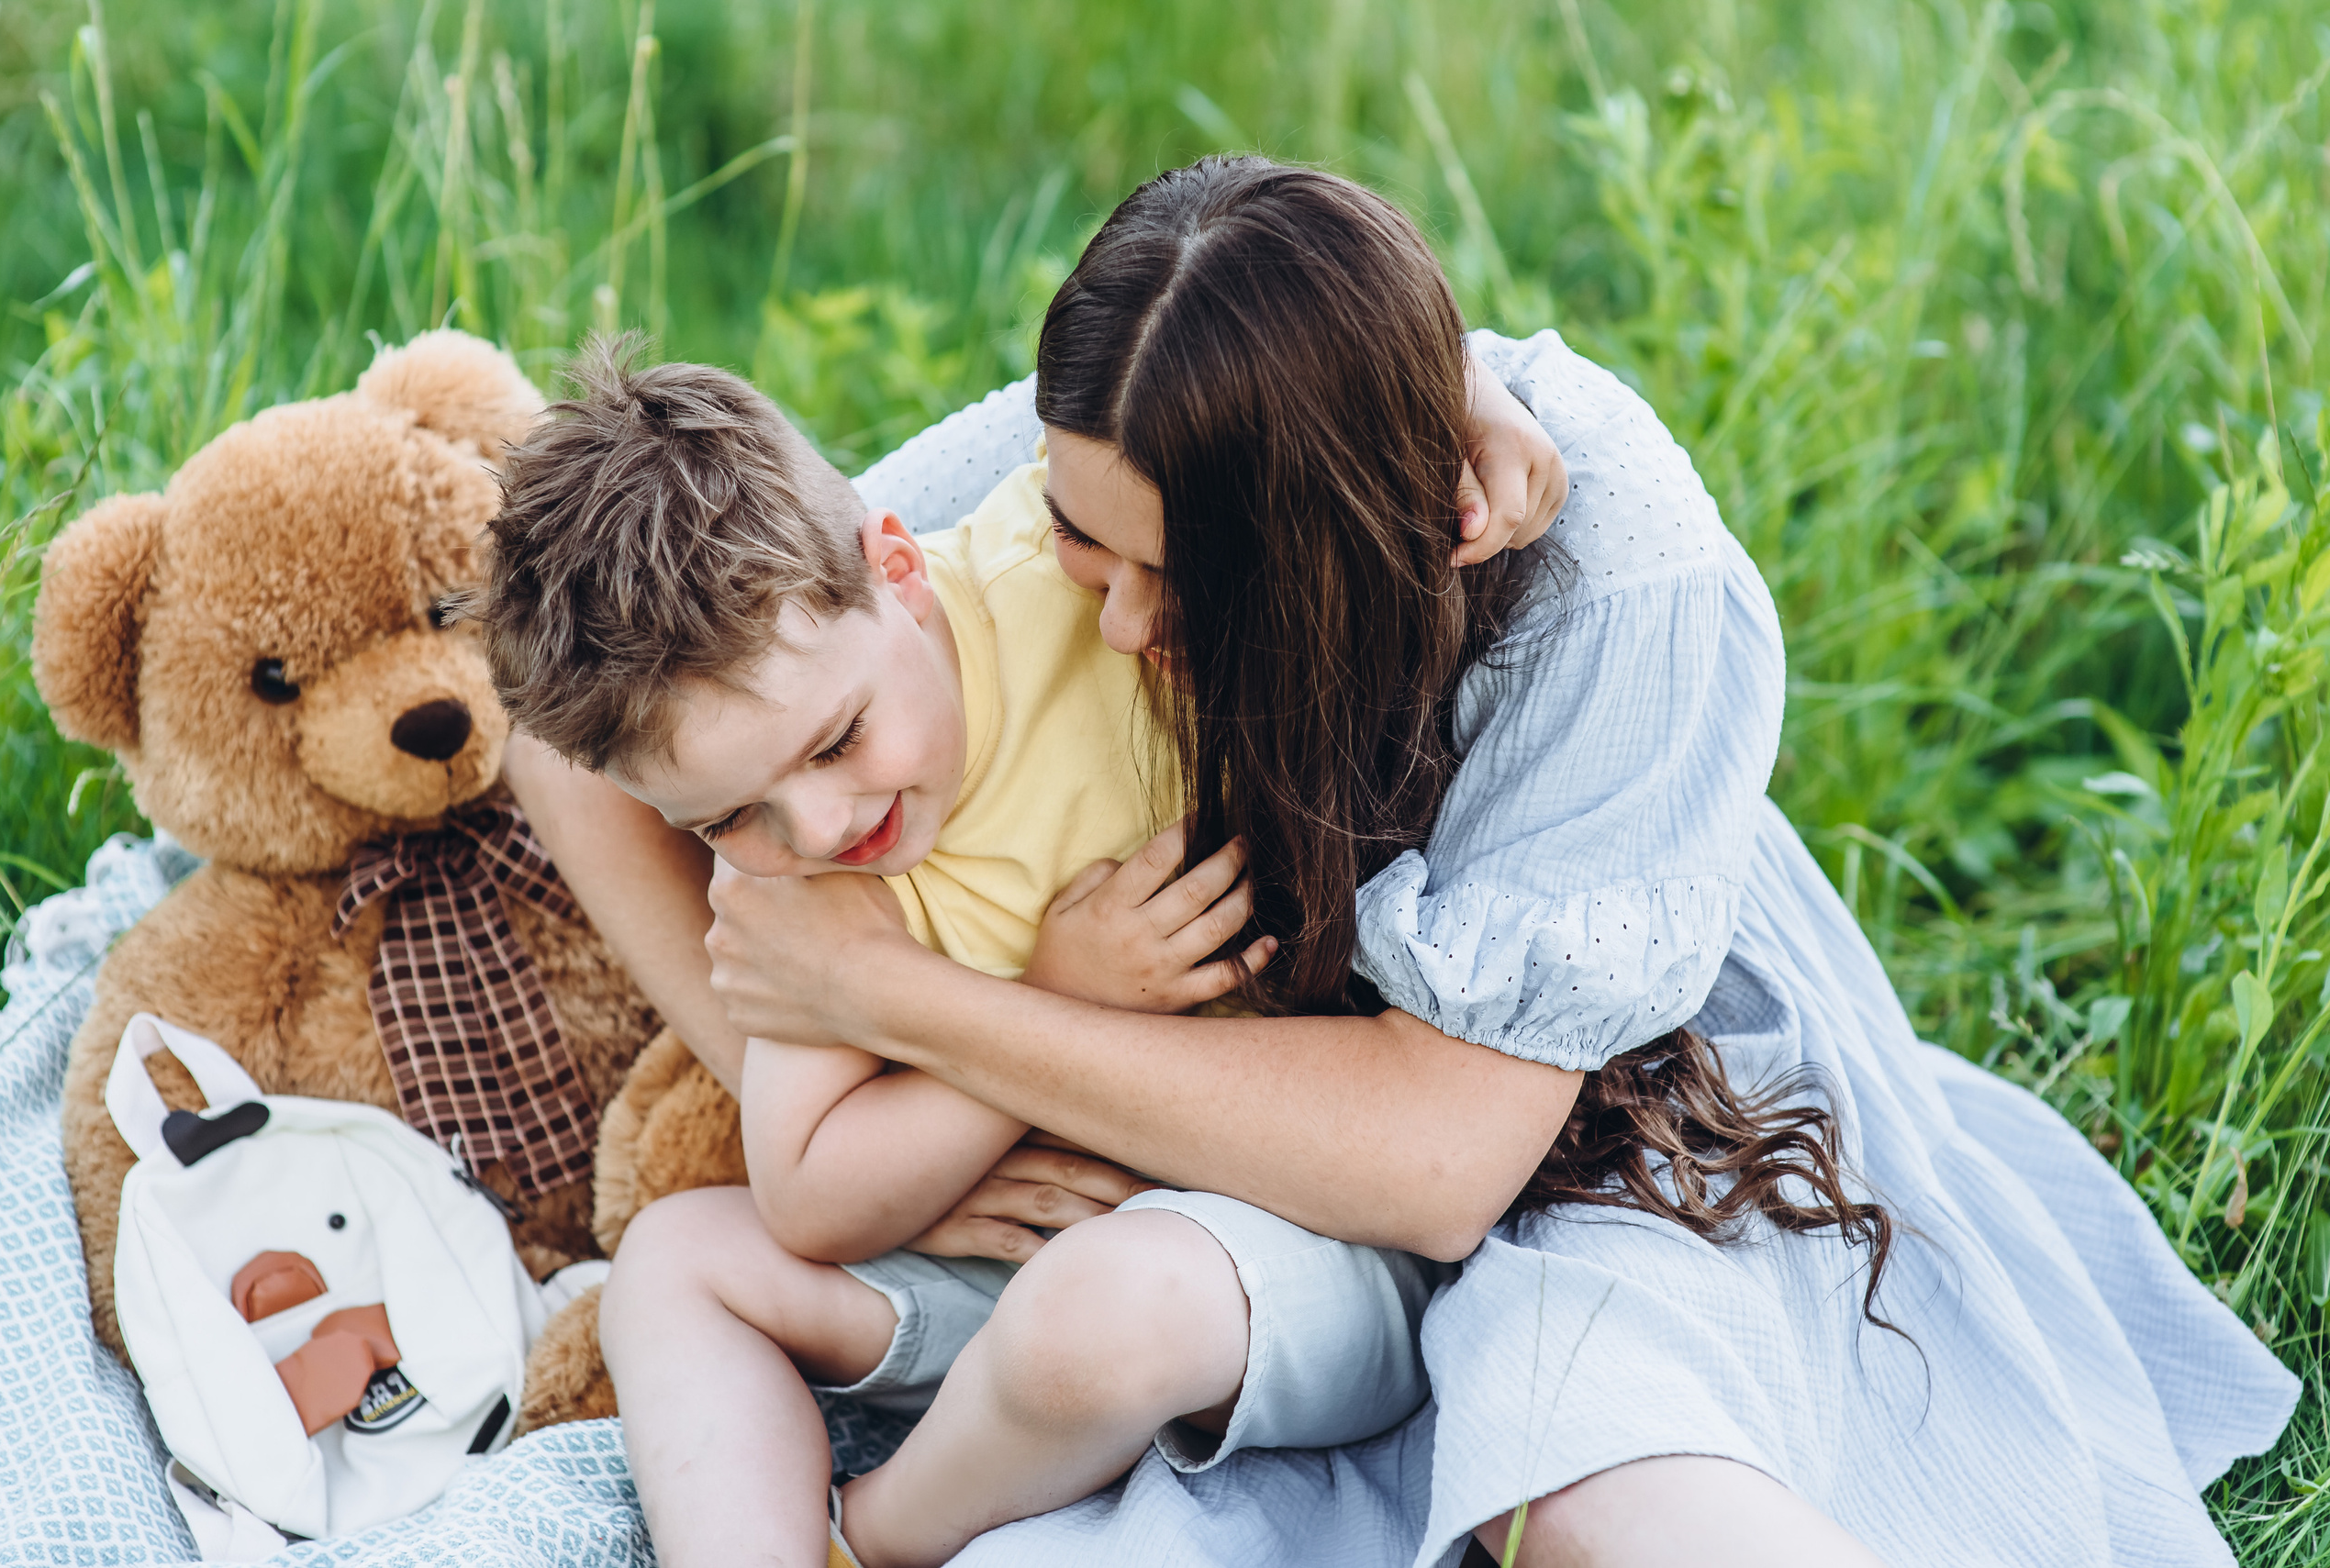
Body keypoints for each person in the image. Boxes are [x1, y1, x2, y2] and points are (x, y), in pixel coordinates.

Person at [513, 158, 2298, 1567]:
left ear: (1357, 534)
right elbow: (581, 726)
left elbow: (1441, 1164)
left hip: (1592, 1120)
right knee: (719, 1271)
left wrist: (927, 1013)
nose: (1114, 624)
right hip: (1203, 1148)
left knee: (1594, 1490)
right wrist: (837, 1065)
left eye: (1175, 581)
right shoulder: (1076, 492)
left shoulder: (1611, 584)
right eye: (1081, 542)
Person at [476, 344, 1557, 1568]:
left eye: (837, 741)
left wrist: (1469, 390)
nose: (818, 829)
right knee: (672, 1262)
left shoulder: (1089, 588)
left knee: (1092, 1317)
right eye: (727, 817)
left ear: (897, 570)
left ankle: (876, 1534)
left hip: (1278, 1250)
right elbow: (809, 1193)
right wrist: (1051, 1001)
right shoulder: (799, 875)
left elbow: (1276, 368)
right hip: (1015, 1253)